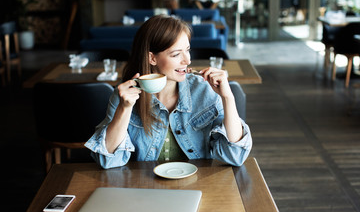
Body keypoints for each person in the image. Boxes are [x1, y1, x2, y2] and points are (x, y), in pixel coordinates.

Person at [85, 15, 252, 169]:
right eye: (176, 54)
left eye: (187, 50)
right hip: (145, 188)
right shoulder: (124, 96)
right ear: (152, 58)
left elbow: (235, 156)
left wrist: (227, 97)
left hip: (198, 184)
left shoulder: (205, 90)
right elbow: (108, 161)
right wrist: (125, 108)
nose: (187, 60)